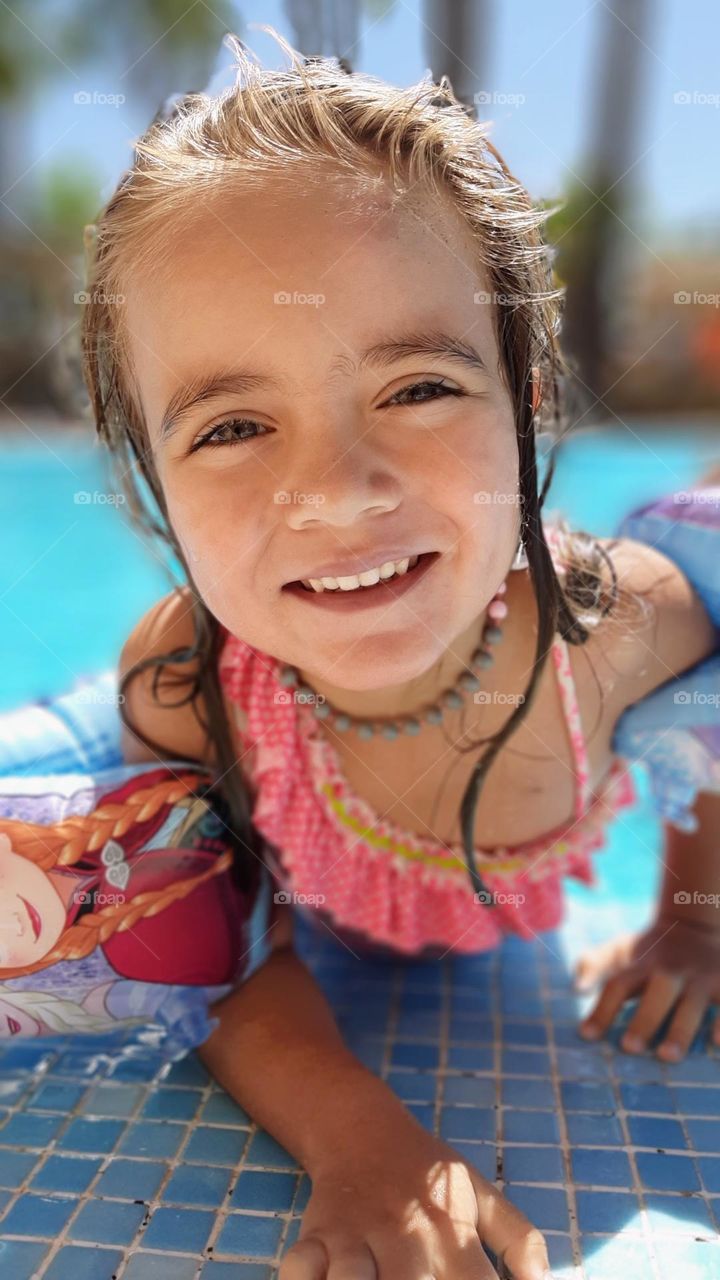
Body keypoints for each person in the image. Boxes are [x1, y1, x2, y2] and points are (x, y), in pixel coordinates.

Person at [79, 29, 719, 1280]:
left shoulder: (600, 631)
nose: (336, 490)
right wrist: (357, 1135)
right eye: (233, 425)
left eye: (418, 387)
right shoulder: (189, 688)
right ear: (149, 470)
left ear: (528, 400)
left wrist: (694, 922)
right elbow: (211, 947)